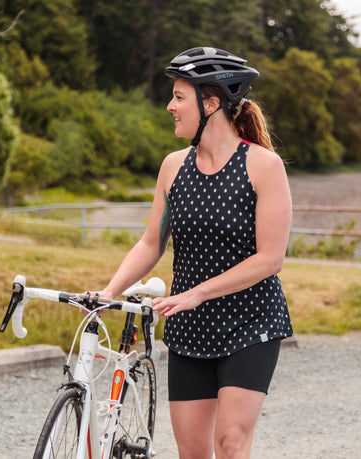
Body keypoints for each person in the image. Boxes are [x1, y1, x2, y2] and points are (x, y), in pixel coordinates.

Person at [98, 47, 293, 459]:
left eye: (179, 97)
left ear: (211, 103)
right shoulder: (172, 167)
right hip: (189, 326)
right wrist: (109, 292)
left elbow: (270, 259)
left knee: (231, 443)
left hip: (250, 322)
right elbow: (152, 243)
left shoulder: (263, 166)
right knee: (193, 454)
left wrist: (200, 291)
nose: (170, 106)